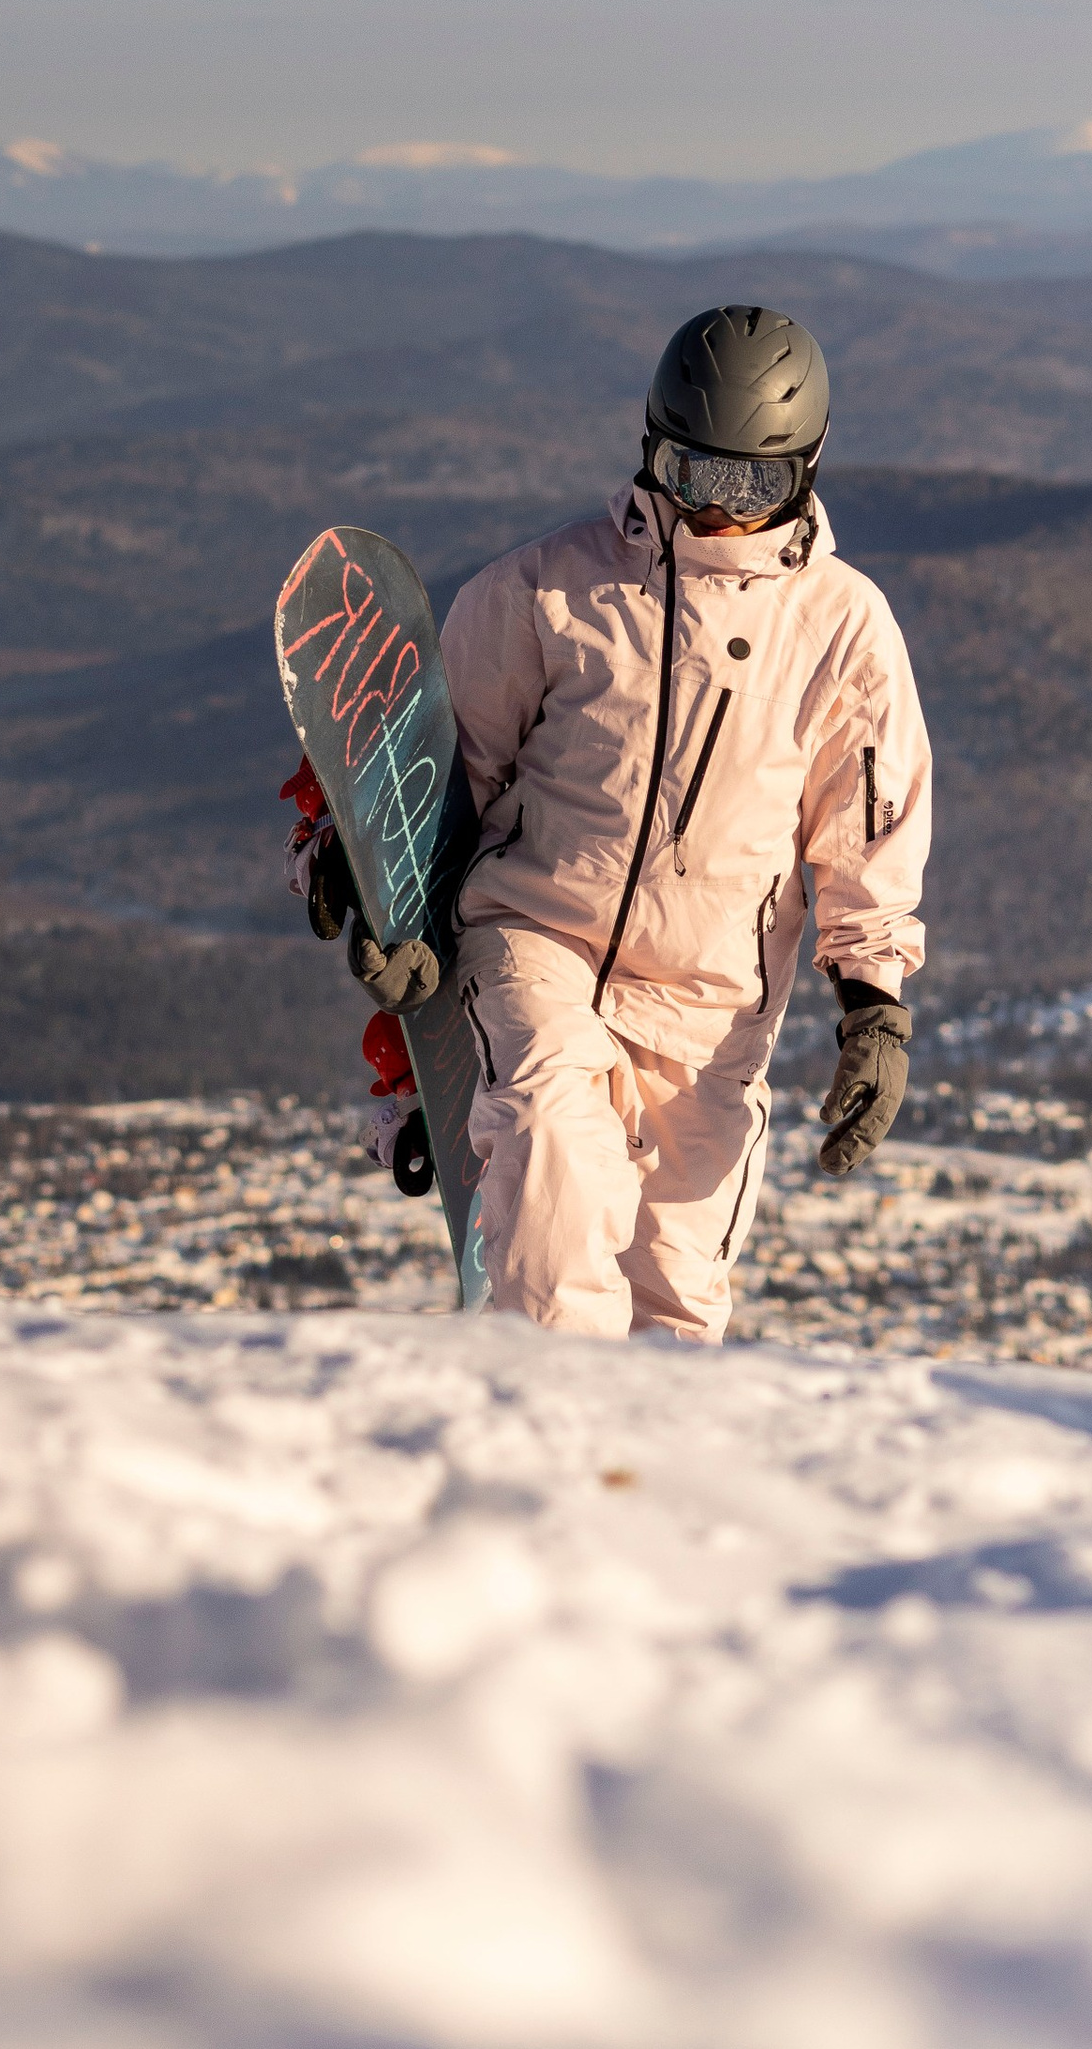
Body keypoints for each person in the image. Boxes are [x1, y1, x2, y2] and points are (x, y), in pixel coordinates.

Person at [294, 304, 930, 1340]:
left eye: (753, 484)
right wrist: (366, 885)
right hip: (538, 937)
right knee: (557, 1169)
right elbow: (436, 776)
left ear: (807, 469)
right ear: (651, 448)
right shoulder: (546, 590)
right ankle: (539, 1439)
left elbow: (867, 836)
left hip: (712, 1003)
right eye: (695, 473)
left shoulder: (841, 629)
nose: (721, 511)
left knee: (673, 1305)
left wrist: (874, 1005)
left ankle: (635, 1490)